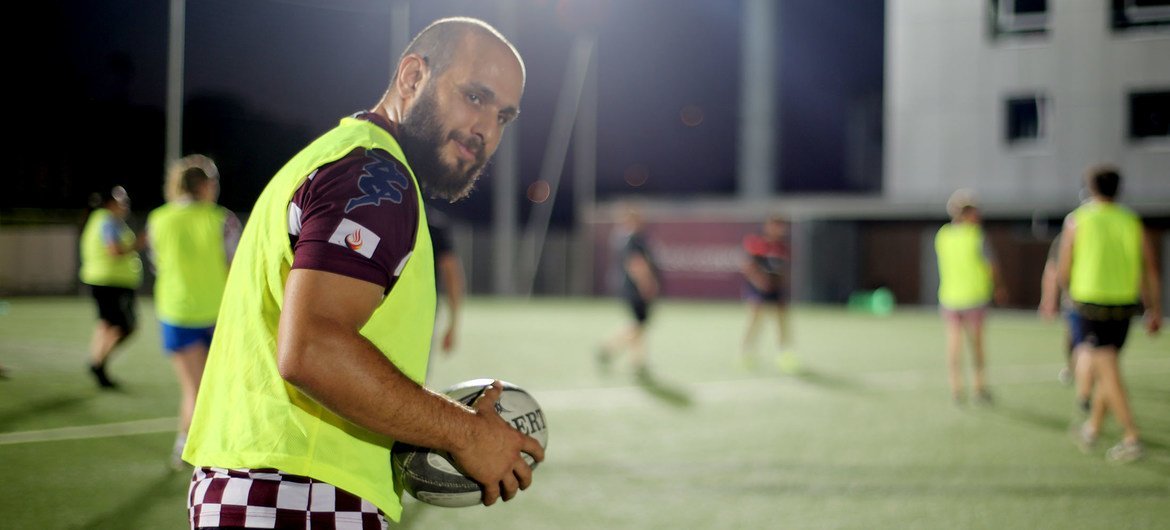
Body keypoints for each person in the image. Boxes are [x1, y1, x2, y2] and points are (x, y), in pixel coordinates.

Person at [182, 17, 543, 528]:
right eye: (475, 97)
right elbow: (313, 347)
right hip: (299, 492)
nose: (486, 129)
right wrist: (467, 434)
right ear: (413, 77)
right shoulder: (375, 176)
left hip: (263, 484)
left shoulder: (340, 157)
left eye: (504, 116)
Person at [1058, 165, 1161, 463]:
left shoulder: (1077, 220)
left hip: (1090, 303)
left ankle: (1131, 436)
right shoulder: (1132, 221)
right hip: (1124, 305)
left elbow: (1065, 265)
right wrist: (1154, 308)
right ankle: (1092, 428)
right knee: (1108, 366)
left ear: (1090, 188)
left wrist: (1066, 293)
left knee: (1107, 368)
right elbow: (1150, 269)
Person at [145, 154, 240, 469]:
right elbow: (235, 267)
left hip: (175, 312)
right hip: (217, 314)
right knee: (210, 387)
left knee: (194, 387)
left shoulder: (158, 218)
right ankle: (193, 447)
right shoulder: (221, 219)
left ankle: (185, 444)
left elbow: (158, 264)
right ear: (204, 185)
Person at [934, 190, 1006, 405]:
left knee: (954, 346)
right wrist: (998, 287)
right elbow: (991, 266)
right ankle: (979, 388)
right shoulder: (976, 235)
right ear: (966, 213)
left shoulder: (943, 235)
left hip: (949, 297)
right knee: (976, 346)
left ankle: (956, 388)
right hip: (974, 297)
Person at [78, 185, 143, 389]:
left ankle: (97, 362)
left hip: (101, 280)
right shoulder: (108, 221)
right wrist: (139, 244)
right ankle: (98, 362)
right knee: (126, 326)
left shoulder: (96, 220)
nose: (125, 204)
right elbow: (114, 250)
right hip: (112, 282)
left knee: (106, 324)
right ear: (109, 204)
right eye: (120, 200)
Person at [598, 206, 661, 377]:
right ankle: (608, 348)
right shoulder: (633, 239)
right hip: (634, 288)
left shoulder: (622, 238)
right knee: (638, 324)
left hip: (627, 287)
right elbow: (636, 264)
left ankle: (637, 361)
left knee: (639, 325)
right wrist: (646, 284)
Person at [1039, 230, 1090, 411]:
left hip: (1086, 298)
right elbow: (1053, 270)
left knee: (1084, 345)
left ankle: (1084, 393)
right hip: (1075, 298)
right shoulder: (1064, 237)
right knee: (1077, 342)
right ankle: (1075, 374)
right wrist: (1049, 300)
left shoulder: (1077, 230)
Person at [739, 215, 796, 372]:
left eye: (782, 225)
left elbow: (783, 269)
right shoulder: (756, 242)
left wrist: (782, 283)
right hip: (758, 289)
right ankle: (746, 353)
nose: (780, 229)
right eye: (776, 225)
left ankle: (784, 353)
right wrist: (760, 282)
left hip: (776, 290)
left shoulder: (782, 246)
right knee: (754, 320)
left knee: (781, 321)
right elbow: (748, 266)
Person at [426, 205, 465, 357]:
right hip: (422, 308)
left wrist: (453, 324)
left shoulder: (384, 217)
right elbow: (452, 273)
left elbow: (451, 271)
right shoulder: (433, 223)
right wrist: (453, 323)